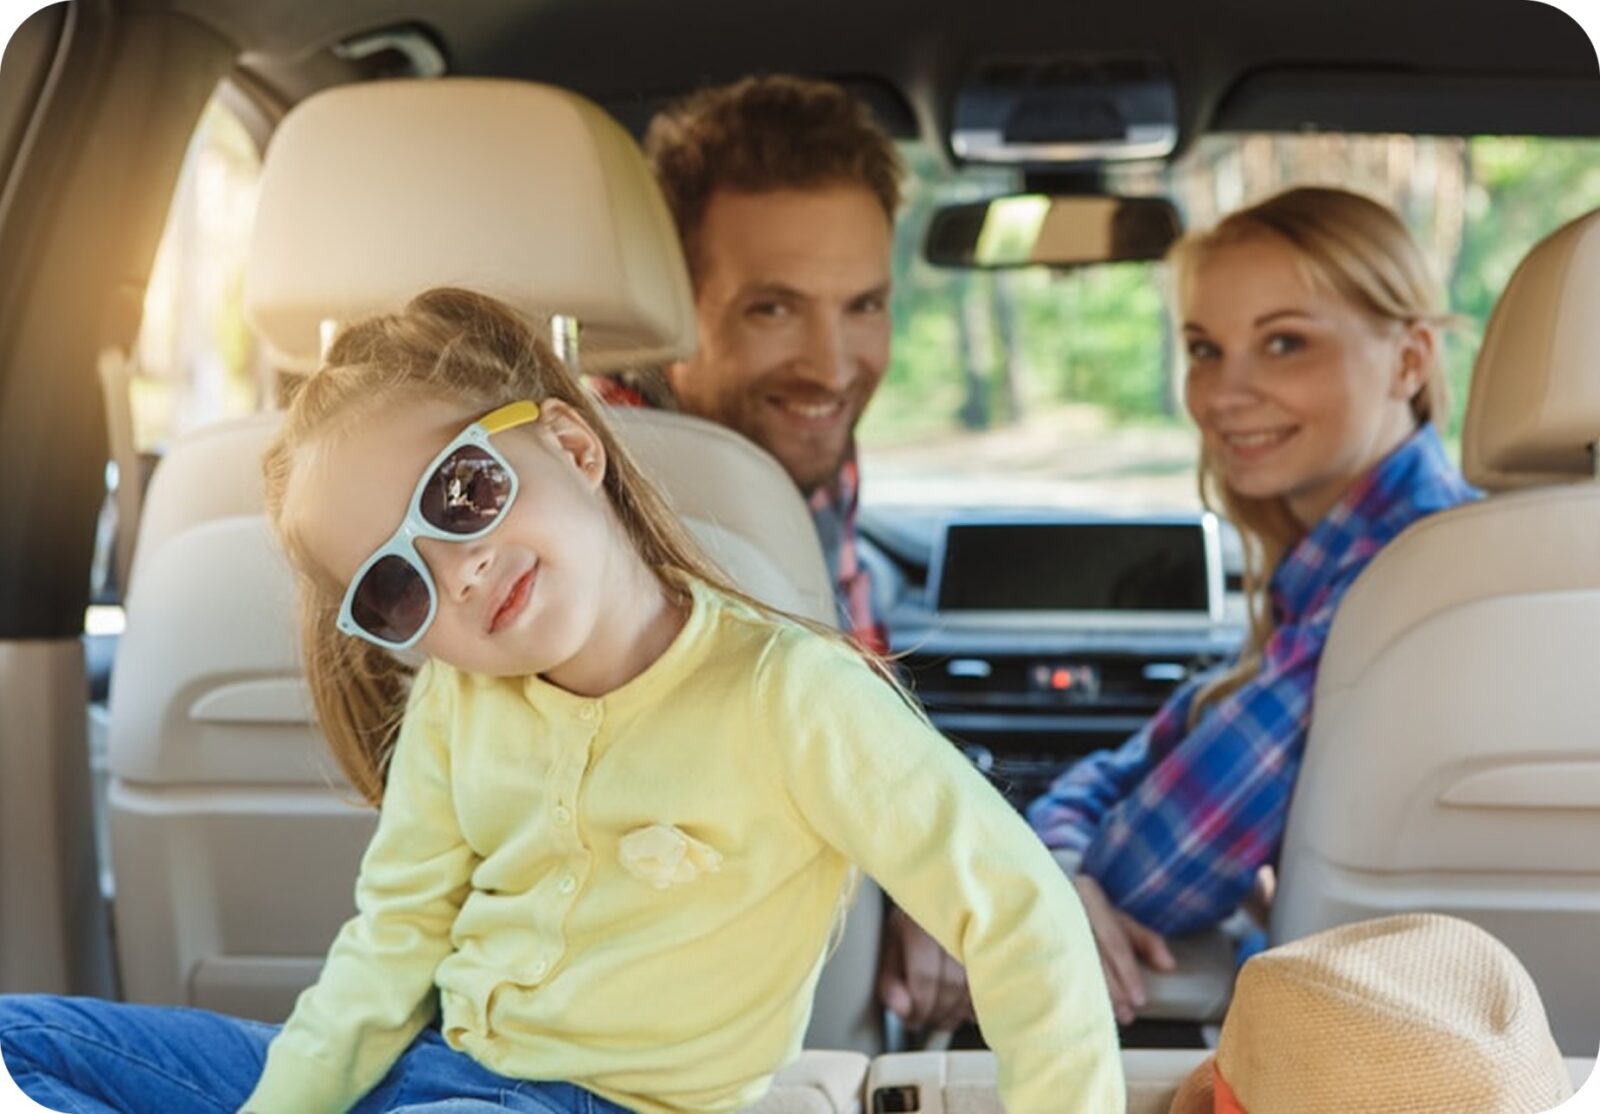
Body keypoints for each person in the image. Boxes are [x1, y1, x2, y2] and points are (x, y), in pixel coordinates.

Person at [0, 288, 1123, 1114]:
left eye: (466, 492)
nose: (461, 567)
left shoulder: (792, 695)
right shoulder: (456, 698)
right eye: (398, 584)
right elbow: (394, 939)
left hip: (608, 1105)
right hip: (420, 1075)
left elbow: (1017, 911)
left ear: (574, 445)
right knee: (24, 1037)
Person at [884, 186, 1479, 1030]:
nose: (1224, 394)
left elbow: (1155, 872)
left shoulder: (1394, 586)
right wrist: (1060, 851)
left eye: (1284, 343)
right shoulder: (1370, 567)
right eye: (1204, 348)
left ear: (1410, 359)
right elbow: (1122, 771)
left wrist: (1067, 870)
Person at [591, 74, 901, 655]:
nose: (831, 372)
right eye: (774, 310)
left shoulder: (787, 438)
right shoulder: (585, 495)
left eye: (864, 305)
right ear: (672, 306)